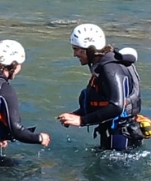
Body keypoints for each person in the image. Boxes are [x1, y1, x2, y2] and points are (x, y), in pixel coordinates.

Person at [58, 23, 146, 152]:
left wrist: (82, 120)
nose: (75, 54)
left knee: (113, 171)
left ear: (87, 49)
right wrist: (75, 115)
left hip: (120, 136)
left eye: (76, 49)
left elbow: (116, 106)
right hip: (115, 131)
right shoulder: (105, 64)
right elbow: (104, 101)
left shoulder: (110, 68)